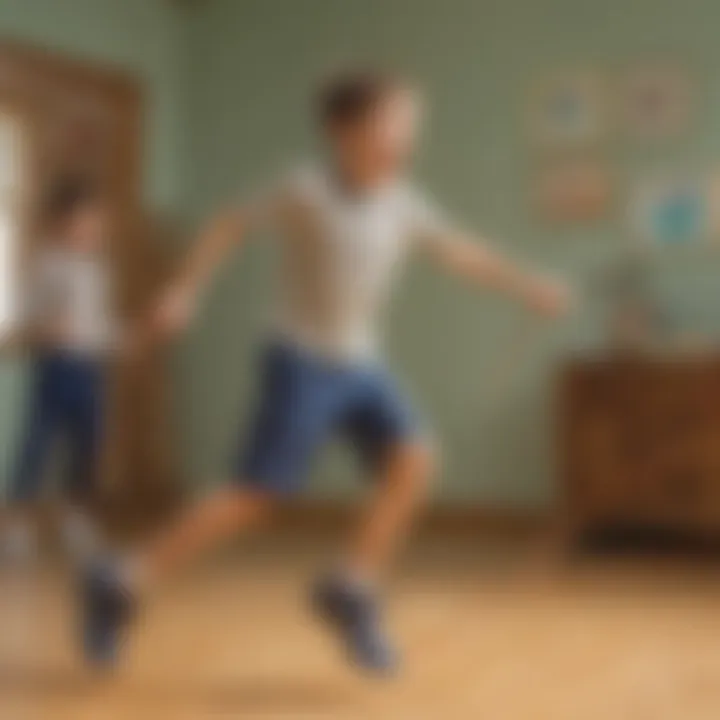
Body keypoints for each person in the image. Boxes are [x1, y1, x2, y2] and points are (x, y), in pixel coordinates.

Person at [81, 70, 571, 674]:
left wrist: (527, 285)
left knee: (414, 458)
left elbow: (459, 251)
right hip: (300, 361)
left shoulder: (403, 202)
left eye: (410, 126)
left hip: (361, 363)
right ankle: (120, 575)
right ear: (343, 130)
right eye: (390, 123)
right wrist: (186, 291)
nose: (404, 138)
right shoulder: (303, 187)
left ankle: (351, 586)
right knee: (254, 499)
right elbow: (228, 224)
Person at [1, 178, 118, 564]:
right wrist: (45, 328)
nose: (89, 231)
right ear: (60, 224)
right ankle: (16, 525)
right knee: (37, 445)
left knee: (89, 442)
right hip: (55, 366)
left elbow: (99, 323)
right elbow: (29, 320)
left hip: (88, 367)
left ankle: (75, 518)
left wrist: (118, 339)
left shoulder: (96, 270)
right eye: (81, 223)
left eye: (94, 223)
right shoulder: (45, 265)